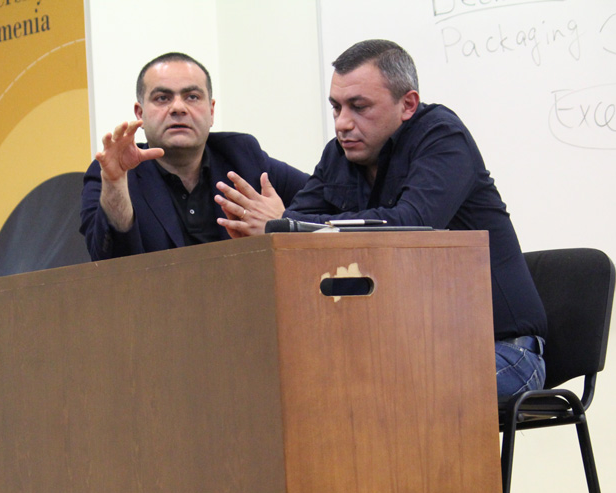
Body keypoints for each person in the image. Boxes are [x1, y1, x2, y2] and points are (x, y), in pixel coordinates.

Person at [215, 39, 547, 399]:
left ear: (408, 104)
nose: (342, 123)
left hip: (503, 350)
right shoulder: (338, 155)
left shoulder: (442, 137)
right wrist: (278, 231)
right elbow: (297, 229)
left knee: (383, 398)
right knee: (290, 388)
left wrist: (284, 225)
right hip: (408, 351)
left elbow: (410, 225)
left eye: (359, 107)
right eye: (336, 107)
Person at [79, 52, 308, 261]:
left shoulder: (242, 156)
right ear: (140, 114)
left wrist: (283, 222)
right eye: (162, 98)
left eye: (192, 97)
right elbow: (108, 261)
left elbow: (324, 202)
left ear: (211, 111)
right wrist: (115, 184)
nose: (178, 108)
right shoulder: (114, 172)